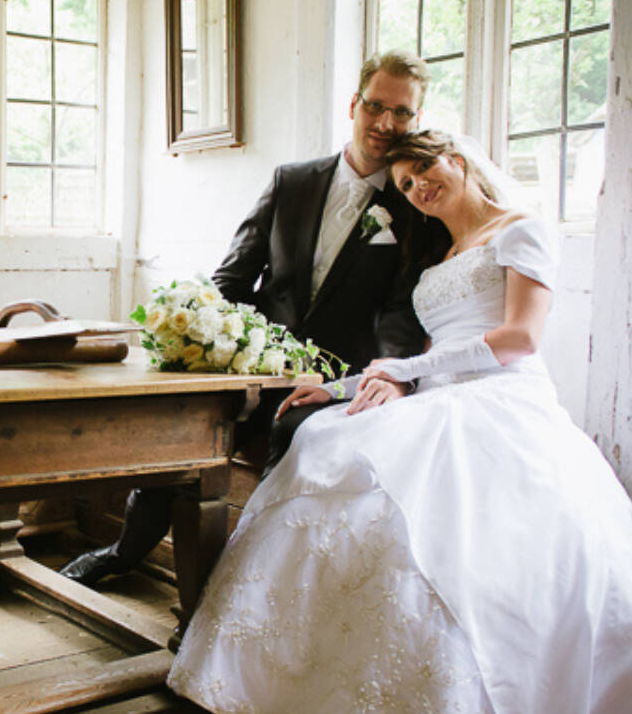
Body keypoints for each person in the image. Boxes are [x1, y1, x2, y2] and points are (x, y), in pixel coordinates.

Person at [167, 129, 632, 714]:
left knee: (437, 532)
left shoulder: (522, 231)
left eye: (424, 170)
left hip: (504, 405)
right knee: (325, 444)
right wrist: (336, 389)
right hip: (441, 396)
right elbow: (423, 357)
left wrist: (408, 375)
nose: (418, 188)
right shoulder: (440, 256)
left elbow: (519, 338)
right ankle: (339, 711)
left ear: (458, 157)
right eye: (405, 185)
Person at [60, 50, 449, 586]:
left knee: (291, 434)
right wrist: (220, 349)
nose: (386, 124)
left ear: (417, 120)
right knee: (180, 426)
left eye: (402, 113)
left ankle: (224, 593)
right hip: (256, 366)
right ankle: (124, 553)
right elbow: (233, 279)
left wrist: (382, 378)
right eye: (376, 107)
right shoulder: (292, 181)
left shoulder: (415, 205)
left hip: (337, 381)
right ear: (353, 104)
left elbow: (402, 309)